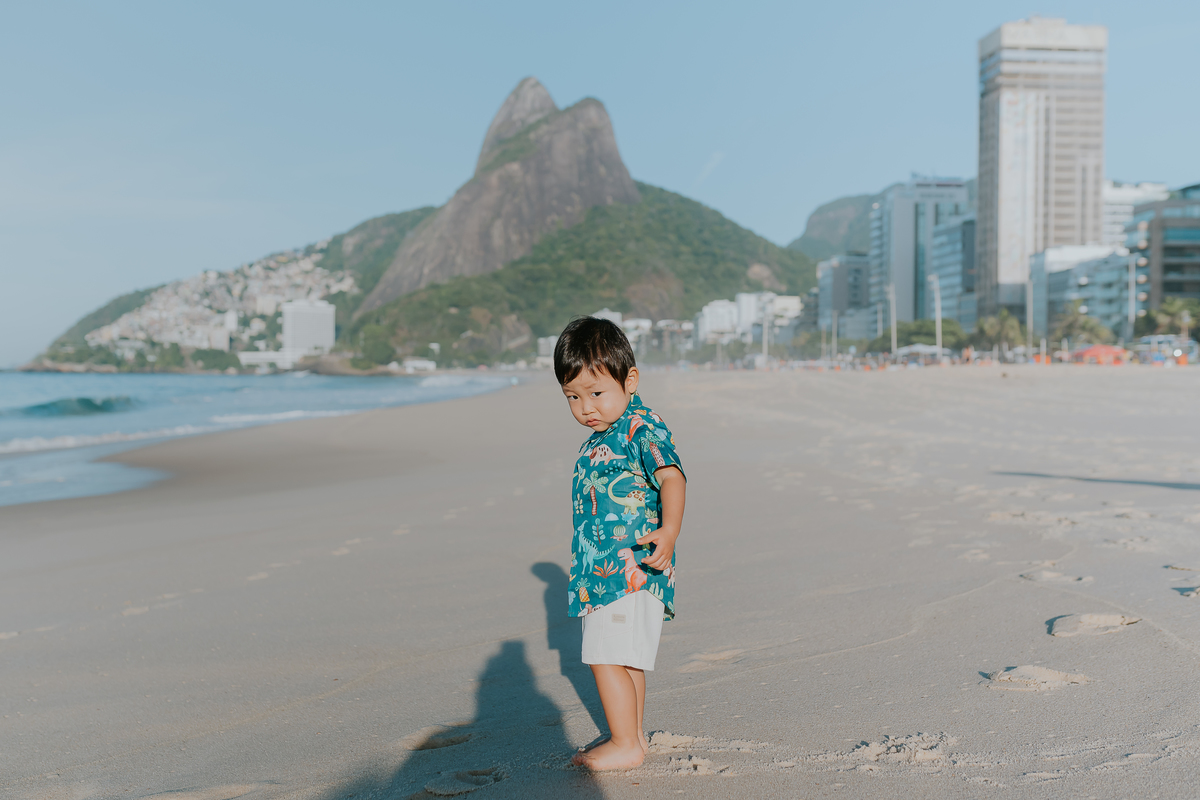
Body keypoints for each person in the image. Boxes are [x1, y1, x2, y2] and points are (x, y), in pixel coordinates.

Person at [554, 316, 686, 770]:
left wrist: (670, 530)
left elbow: (671, 477)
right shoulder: (603, 436)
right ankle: (634, 735)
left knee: (605, 655)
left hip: (628, 568)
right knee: (626, 658)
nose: (585, 406)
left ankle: (626, 742)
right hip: (607, 571)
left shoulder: (639, 427)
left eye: (595, 393)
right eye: (573, 396)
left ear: (629, 380)